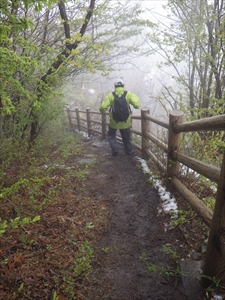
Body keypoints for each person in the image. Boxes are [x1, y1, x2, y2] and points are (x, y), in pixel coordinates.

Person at [99, 79, 140, 156]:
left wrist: (102, 107)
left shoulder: (111, 95)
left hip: (113, 121)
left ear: (115, 86)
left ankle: (115, 149)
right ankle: (129, 152)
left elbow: (102, 108)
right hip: (125, 122)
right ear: (123, 86)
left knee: (111, 135)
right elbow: (137, 106)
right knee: (126, 138)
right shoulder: (129, 94)